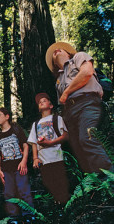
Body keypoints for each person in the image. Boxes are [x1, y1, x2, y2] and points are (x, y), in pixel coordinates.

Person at [45, 42, 113, 174]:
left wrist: (66, 92)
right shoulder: (58, 79)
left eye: (60, 49)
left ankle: (109, 180)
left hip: (88, 103)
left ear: (68, 53)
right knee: (76, 148)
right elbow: (61, 103)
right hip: (69, 113)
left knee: (87, 138)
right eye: (54, 53)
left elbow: (87, 73)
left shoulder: (78, 57)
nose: (56, 51)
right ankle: (93, 185)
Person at [28, 93, 70, 204]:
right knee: (48, 183)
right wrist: (35, 158)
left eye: (44, 100)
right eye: (39, 102)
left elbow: (65, 135)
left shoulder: (57, 118)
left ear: (51, 105)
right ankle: (55, 207)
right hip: (44, 160)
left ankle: (64, 205)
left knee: (61, 182)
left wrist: (51, 142)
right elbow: (33, 142)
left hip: (57, 157)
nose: (41, 102)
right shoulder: (36, 124)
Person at [0, 107, 34, 221]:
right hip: (6, 169)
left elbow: (25, 145)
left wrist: (24, 161)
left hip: (19, 166)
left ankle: (29, 215)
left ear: (7, 116)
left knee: (23, 190)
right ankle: (13, 218)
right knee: (9, 193)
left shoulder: (16, 130)